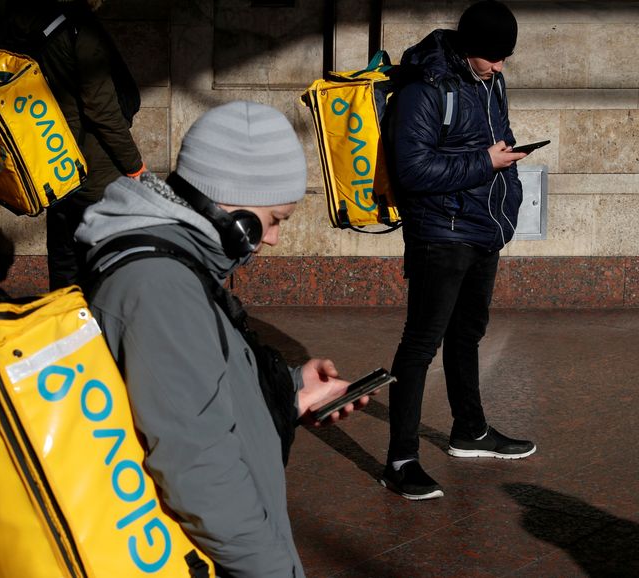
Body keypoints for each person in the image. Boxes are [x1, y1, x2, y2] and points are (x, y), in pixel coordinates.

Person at [76, 100, 372, 577]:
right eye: (274, 219)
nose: (273, 239)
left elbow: (199, 389)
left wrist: (290, 391)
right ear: (229, 207)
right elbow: (199, 468)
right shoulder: (160, 286)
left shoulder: (174, 267)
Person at [381, 0, 536, 501]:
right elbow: (412, 170)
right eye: (493, 57)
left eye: (505, 57)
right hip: (440, 232)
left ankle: (470, 431)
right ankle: (400, 459)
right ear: (470, 49)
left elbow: (496, 140)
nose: (500, 66)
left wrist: (506, 169)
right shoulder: (425, 88)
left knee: (468, 333)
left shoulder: (490, 81)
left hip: (482, 227)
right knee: (421, 344)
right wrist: (484, 163)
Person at [5, 0, 146, 290]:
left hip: (55, 161)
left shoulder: (32, 24)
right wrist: (134, 166)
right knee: (104, 262)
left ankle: (66, 324)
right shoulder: (80, 31)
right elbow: (101, 109)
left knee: (64, 260)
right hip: (94, 168)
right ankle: (99, 327)